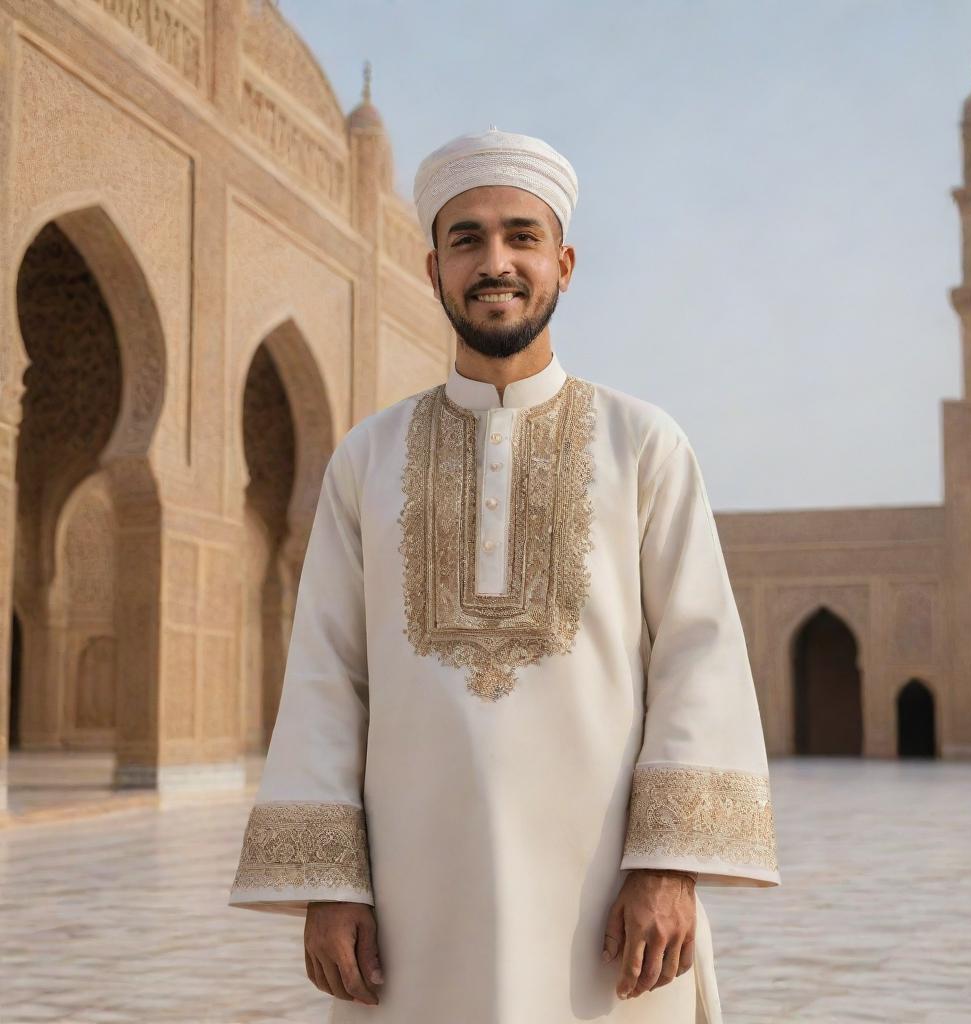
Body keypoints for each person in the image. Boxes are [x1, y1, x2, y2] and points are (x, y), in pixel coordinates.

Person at [227, 126, 780, 1024]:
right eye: (467, 239)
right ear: (432, 269)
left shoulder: (643, 445)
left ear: (563, 262)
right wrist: (328, 883)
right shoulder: (367, 460)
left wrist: (667, 867)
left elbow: (699, 657)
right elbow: (329, 675)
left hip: (610, 912)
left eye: (521, 236)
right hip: (415, 907)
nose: (496, 262)